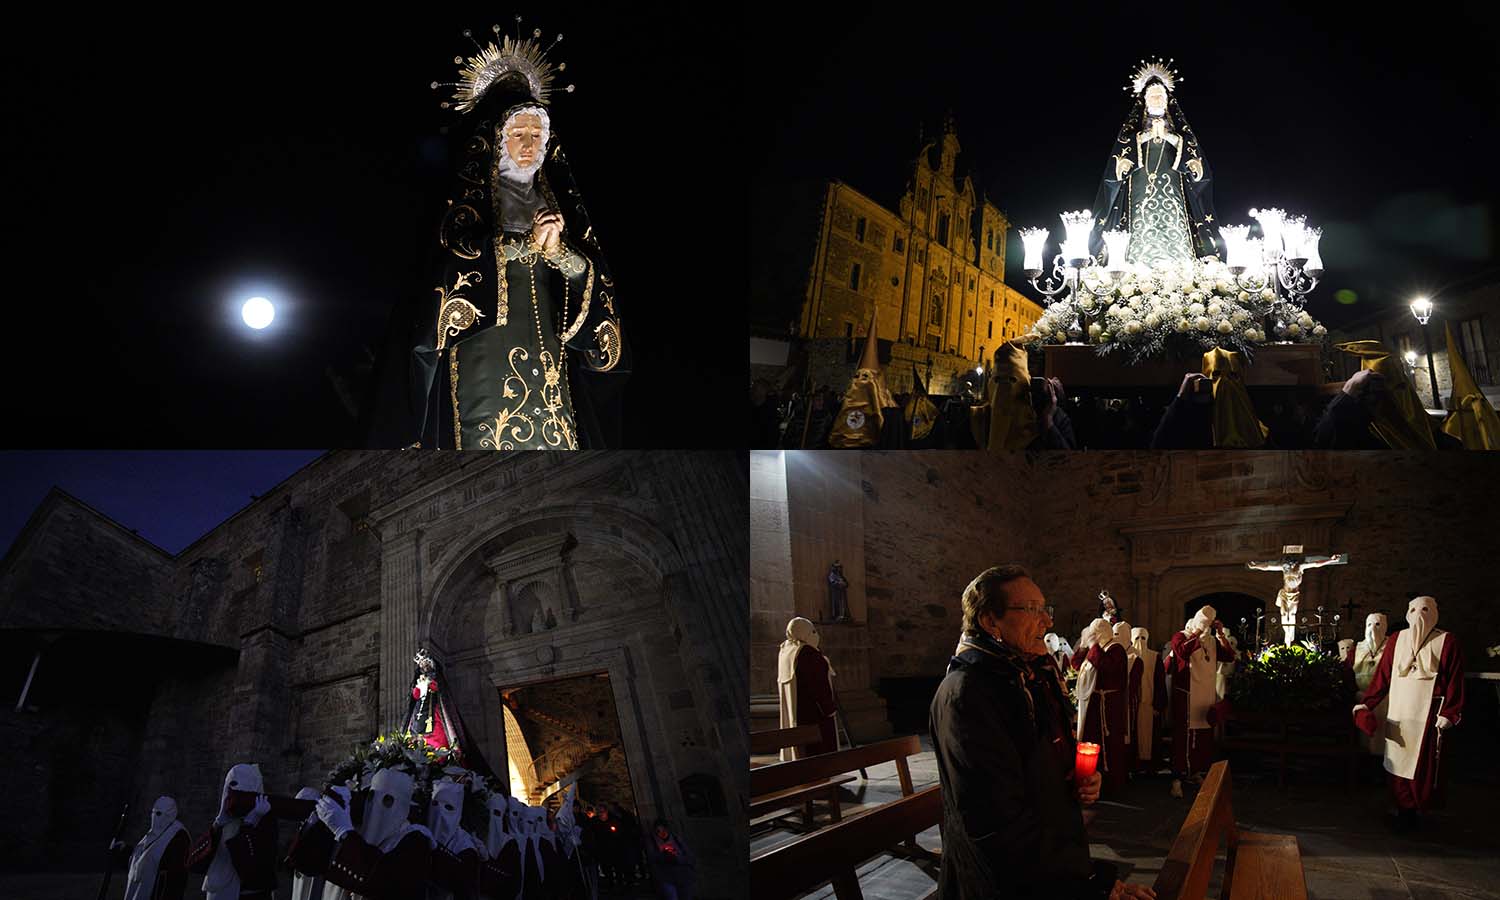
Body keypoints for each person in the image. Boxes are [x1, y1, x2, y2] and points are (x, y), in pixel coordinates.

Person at [387, 27, 627, 450]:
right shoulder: (466, 200)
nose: (530, 144)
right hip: (485, 345)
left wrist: (558, 252)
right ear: (498, 137)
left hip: (549, 349)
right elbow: (447, 268)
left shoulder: (556, 201)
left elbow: (592, 275)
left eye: (537, 135)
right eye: (519, 133)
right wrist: (522, 244)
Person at [929, 565, 1155, 899]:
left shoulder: (1027, 675)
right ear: (991, 621)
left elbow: (1041, 759)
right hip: (1008, 883)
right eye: (1032, 610)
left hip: (1051, 865)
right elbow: (999, 825)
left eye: (1044, 609)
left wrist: (1076, 776)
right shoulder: (969, 695)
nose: (1047, 621)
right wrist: (1092, 886)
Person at [1353, 596, 1466, 833]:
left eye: (1425, 610)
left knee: (1421, 766)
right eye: (1413, 610)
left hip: (1427, 714)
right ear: (1406, 614)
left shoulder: (1446, 641)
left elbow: (1455, 679)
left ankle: (1415, 811)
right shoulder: (1397, 639)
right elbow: (1382, 676)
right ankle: (1402, 810)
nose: (1418, 615)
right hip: (1401, 710)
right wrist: (1367, 704)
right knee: (1397, 762)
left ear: (1434, 613)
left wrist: (1450, 712)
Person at [1091, 62, 1219, 267]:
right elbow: (1119, 161)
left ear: (1168, 101)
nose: (1157, 99)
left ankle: (1182, 268)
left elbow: (1196, 163)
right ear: (1145, 100)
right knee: (1141, 227)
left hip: (1174, 192)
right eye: (1152, 96)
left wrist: (1170, 138)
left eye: (1161, 95)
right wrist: (1146, 137)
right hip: (1139, 191)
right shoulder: (1134, 134)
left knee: (1175, 225)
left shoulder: (1177, 133)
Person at [315, 767, 436, 898]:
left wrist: (344, 833)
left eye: (387, 800)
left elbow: (386, 880)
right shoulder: (360, 829)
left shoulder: (415, 839)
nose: (375, 804)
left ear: (403, 805)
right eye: (371, 797)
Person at [1164, 607, 1234, 797]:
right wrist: (1196, 633)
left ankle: (1195, 772)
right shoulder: (1181, 636)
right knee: (1183, 738)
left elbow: (1228, 656)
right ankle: (1177, 777)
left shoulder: (1211, 640)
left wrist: (1220, 634)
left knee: (1202, 737)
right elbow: (1181, 651)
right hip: (1187, 696)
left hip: (1205, 696)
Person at [1078, 618, 1129, 792]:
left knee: (1110, 743)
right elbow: (1077, 664)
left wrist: (1093, 647)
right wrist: (1085, 645)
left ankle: (1112, 783)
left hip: (1110, 705)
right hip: (1095, 703)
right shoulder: (1097, 648)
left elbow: (1107, 667)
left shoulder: (1116, 649)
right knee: (1093, 740)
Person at [776, 617, 838, 760]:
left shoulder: (785, 651)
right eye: (812, 631)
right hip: (813, 716)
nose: (816, 635)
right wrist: (829, 708)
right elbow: (818, 686)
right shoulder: (808, 654)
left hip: (796, 712)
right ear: (804, 633)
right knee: (819, 754)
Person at [110, 795, 189, 900]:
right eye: (153, 812)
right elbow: (140, 864)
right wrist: (124, 850)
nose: (154, 817)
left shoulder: (179, 837)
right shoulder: (154, 834)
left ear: (170, 815)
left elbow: (173, 876)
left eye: (158, 813)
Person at [427, 778, 481, 900]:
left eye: (448, 807)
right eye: (435, 804)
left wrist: (437, 850)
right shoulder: (422, 832)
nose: (440, 812)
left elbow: (463, 881)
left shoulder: (465, 846)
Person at [1129, 628, 1166, 772]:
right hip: (1134, 705)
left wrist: (1158, 704)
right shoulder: (1129, 655)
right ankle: (1135, 766)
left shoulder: (1154, 656)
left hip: (1150, 705)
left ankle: (1151, 767)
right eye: (1137, 638)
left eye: (1143, 638)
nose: (1140, 642)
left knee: (1151, 738)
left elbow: (1159, 682)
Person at [478, 789, 522, 900]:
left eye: (496, 814)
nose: (493, 818)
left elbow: (512, 879)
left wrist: (487, 861)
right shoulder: (478, 838)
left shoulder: (510, 844)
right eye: (490, 813)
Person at [645, 819, 696, 900]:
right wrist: (665, 856)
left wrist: (679, 859)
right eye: (658, 831)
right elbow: (652, 858)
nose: (661, 833)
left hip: (683, 876)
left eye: (663, 830)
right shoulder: (652, 842)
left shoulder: (677, 839)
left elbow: (689, 855)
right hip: (667, 878)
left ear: (667, 829)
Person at [1114, 621, 1138, 773]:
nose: (1116, 638)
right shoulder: (1112, 652)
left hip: (1127, 701)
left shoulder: (1135, 656)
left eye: (1119, 634)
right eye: (1114, 634)